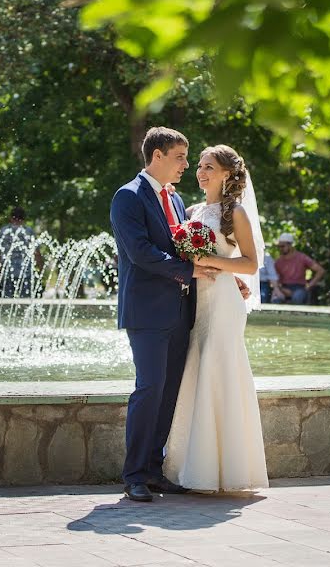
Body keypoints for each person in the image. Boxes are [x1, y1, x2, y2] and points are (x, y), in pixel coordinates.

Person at [110, 126, 220, 502]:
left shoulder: (175, 200)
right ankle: (135, 474)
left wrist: (218, 274)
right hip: (146, 312)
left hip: (179, 311)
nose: (186, 166)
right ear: (156, 156)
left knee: (169, 391)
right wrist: (190, 270)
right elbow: (140, 252)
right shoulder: (127, 197)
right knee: (150, 388)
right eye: (179, 158)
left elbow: (184, 249)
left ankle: (154, 470)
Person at [163, 144, 269, 493]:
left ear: (227, 173)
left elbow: (251, 264)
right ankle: (195, 467)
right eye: (200, 166)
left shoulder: (234, 212)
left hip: (223, 304)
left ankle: (229, 471)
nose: (201, 172)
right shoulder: (192, 210)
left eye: (209, 166)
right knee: (197, 371)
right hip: (197, 303)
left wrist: (214, 264)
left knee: (219, 371)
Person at [0, 206, 42, 298]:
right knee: (25, 302)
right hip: (26, 273)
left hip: (8, 272)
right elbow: (36, 252)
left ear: (11, 218)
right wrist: (40, 268)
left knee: (7, 303)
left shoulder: (4, 231)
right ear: (24, 218)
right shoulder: (28, 231)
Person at [272, 233, 325, 304]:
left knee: (297, 298)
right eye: (279, 246)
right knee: (276, 300)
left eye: (282, 246)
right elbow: (274, 278)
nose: (280, 248)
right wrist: (281, 289)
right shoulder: (278, 261)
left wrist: (309, 286)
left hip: (300, 288)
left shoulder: (302, 258)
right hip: (283, 287)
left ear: (290, 245)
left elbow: (320, 271)